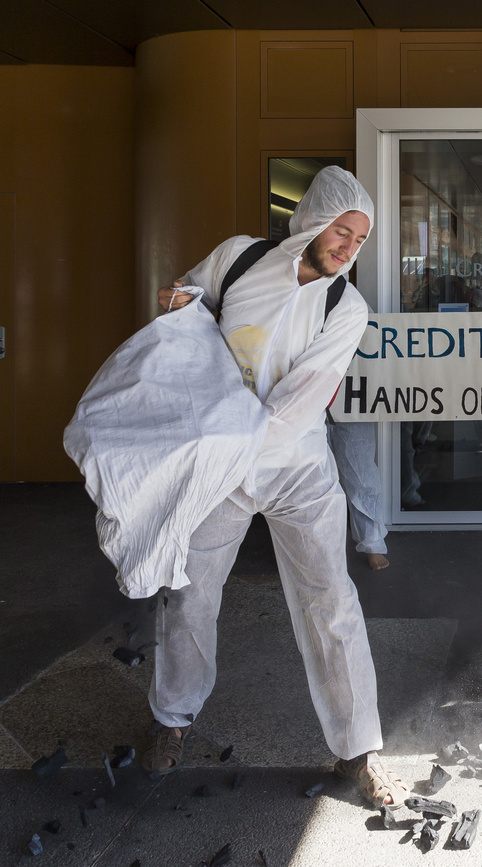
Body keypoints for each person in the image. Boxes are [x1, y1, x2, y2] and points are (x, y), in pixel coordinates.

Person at [148, 167, 408, 805]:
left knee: (331, 601)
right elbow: (193, 298)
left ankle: (358, 749)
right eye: (342, 231)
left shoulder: (347, 307)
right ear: (315, 219)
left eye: (360, 240)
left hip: (297, 468)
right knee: (188, 592)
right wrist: (177, 299)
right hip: (219, 464)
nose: (348, 247)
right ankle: (170, 719)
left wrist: (232, 446)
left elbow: (297, 404)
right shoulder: (240, 258)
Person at [326, 418, 390, 570]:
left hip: (350, 400)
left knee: (362, 475)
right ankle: (320, 546)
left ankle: (372, 542)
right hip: (309, 400)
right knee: (315, 479)